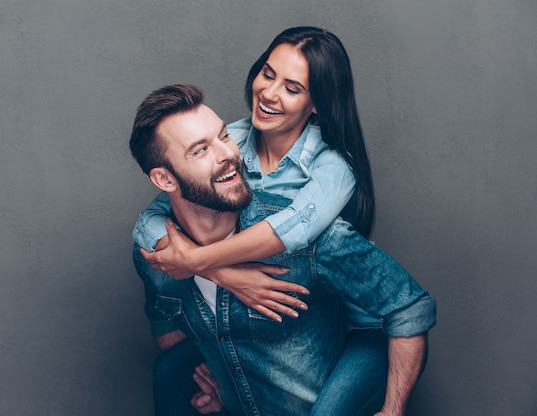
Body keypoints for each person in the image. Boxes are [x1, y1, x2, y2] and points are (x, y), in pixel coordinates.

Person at [130, 83, 436, 416]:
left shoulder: (305, 240)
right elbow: (165, 321)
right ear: (164, 180)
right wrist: (215, 384)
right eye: (200, 150)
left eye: (223, 136)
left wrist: (392, 410)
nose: (227, 154)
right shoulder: (157, 256)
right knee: (169, 369)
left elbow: (409, 305)